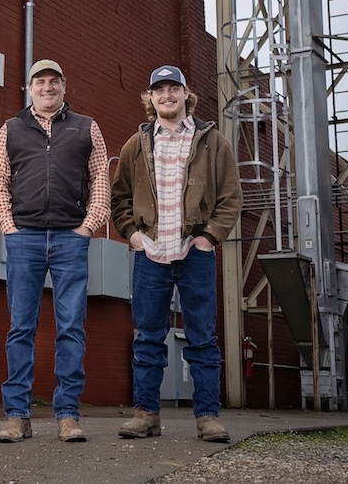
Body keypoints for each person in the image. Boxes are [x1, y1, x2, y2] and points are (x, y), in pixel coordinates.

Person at [111, 65, 242, 443]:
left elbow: (230, 198)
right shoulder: (136, 145)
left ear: (186, 93)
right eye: (159, 90)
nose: (166, 96)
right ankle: (146, 414)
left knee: (202, 337)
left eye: (173, 88)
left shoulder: (212, 141)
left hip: (194, 252)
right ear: (150, 98)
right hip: (150, 254)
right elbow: (120, 199)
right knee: (148, 337)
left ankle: (207, 417)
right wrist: (134, 236)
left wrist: (209, 238)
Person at [0, 59, 110, 443]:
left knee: (71, 328)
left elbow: (101, 178)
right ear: (29, 89)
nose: (47, 87)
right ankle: (17, 416)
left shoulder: (86, 127)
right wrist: (8, 226)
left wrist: (88, 226)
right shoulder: (11, 128)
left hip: (70, 240)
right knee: (20, 328)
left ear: (64, 86)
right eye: (40, 82)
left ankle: (68, 415)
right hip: (24, 238)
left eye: (53, 81)